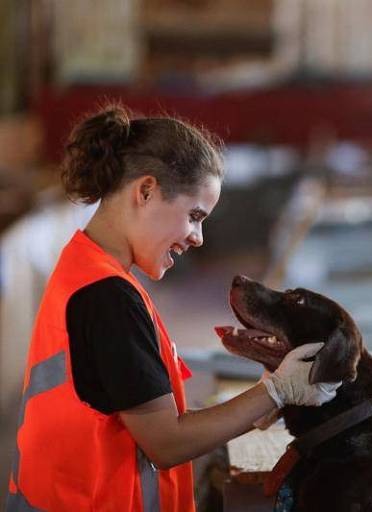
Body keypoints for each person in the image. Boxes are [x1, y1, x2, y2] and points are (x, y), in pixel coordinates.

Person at [6, 105, 340, 511]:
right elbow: (167, 441)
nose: (198, 238)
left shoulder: (86, 269)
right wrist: (274, 392)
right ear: (146, 191)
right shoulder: (108, 298)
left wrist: (246, 405)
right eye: (194, 216)